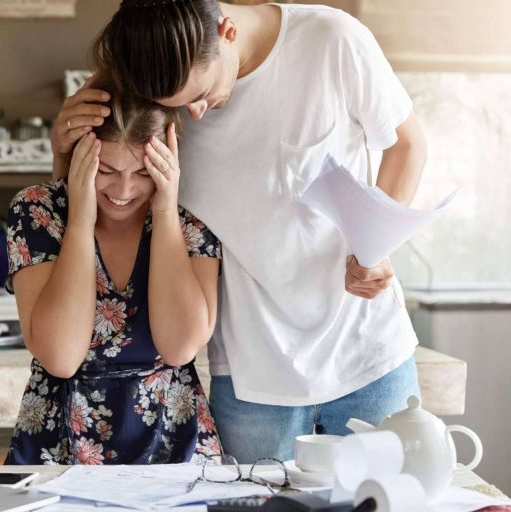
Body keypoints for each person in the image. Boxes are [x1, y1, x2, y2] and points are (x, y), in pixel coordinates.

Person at [51, 0, 428, 462]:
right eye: (178, 105)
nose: (195, 114)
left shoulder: (332, 40)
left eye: (201, 92)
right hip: (251, 378)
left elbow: (407, 144)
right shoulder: (150, 79)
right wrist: (62, 149)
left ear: (227, 32)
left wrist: (376, 241)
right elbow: (109, 192)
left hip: (367, 355)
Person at [5, 73, 223, 465]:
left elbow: (179, 348)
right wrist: (80, 221)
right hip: (60, 442)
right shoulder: (38, 211)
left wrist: (164, 210)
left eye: (142, 173)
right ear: (79, 158)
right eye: (105, 170)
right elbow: (61, 356)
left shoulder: (191, 220)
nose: (123, 192)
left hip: (173, 443)